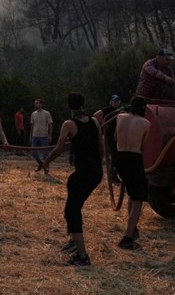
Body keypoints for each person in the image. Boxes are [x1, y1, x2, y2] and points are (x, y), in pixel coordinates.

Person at [44, 92, 103, 266]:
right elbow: (101, 148)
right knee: (75, 206)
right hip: (96, 173)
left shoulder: (69, 124)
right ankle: (73, 242)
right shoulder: (94, 122)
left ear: (69, 106)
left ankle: (82, 256)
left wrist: (47, 161)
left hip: (83, 174)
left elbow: (59, 149)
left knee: (72, 211)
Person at [115, 96, 151, 250]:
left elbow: (115, 137)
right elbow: (142, 145)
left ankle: (132, 227)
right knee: (138, 200)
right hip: (134, 158)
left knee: (131, 194)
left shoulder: (120, 117)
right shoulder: (146, 123)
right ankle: (127, 238)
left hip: (119, 158)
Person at [95, 94, 123, 184]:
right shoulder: (108, 109)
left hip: (117, 135)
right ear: (111, 102)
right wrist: (104, 123)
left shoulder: (120, 111)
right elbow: (96, 114)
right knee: (114, 155)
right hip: (110, 135)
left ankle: (115, 174)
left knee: (117, 155)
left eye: (117, 100)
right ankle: (113, 177)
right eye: (114, 100)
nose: (116, 102)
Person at [30, 98, 53, 172]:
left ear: (41, 104)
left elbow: (50, 124)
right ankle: (41, 164)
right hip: (35, 135)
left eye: (37, 103)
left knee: (46, 153)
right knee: (33, 152)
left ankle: (46, 168)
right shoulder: (33, 114)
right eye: (35, 103)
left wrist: (50, 135)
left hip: (44, 136)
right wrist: (31, 136)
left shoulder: (46, 113)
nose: (35, 104)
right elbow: (32, 125)